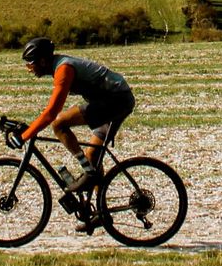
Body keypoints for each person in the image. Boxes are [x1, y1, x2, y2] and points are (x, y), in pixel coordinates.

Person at [17, 37, 134, 227]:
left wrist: (24, 136)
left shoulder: (64, 70)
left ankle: (87, 173)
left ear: (43, 61)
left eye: (31, 63)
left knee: (59, 124)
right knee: (93, 155)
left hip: (115, 99)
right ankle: (102, 213)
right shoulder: (58, 67)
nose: (28, 68)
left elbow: (51, 113)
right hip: (108, 99)